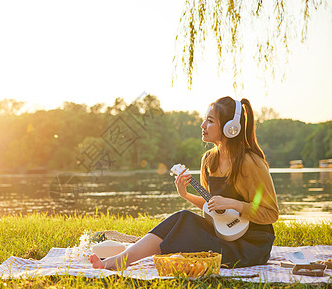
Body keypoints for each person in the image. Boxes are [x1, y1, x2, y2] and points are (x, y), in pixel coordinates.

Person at [90, 96, 279, 270]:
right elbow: (215, 211)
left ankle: (115, 262)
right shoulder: (209, 160)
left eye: (210, 121)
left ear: (231, 127)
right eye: (204, 119)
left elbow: (271, 213)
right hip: (224, 237)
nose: (202, 125)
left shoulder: (250, 163)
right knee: (183, 218)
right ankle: (118, 261)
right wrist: (186, 195)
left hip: (250, 246)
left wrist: (234, 203)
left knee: (183, 222)